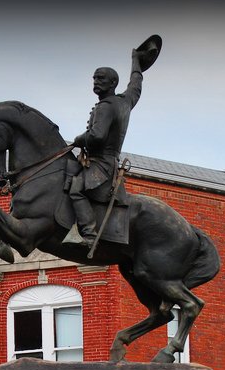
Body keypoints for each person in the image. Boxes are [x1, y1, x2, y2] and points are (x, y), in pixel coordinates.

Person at [64, 36, 160, 247]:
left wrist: (79, 139)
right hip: (109, 163)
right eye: (94, 78)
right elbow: (135, 87)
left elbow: (97, 136)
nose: (96, 82)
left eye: (101, 78)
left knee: (76, 188)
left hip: (101, 164)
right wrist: (136, 63)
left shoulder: (106, 106)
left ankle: (89, 235)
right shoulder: (124, 102)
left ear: (113, 83)